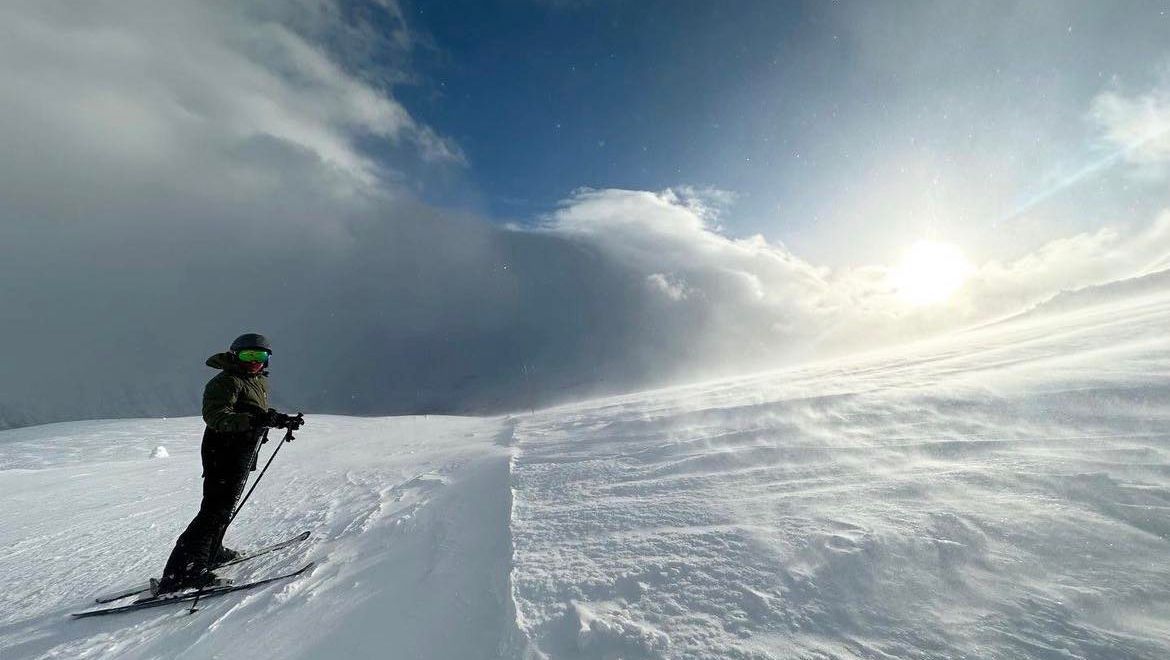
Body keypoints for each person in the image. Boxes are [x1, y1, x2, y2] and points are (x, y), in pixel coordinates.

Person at [154, 333, 302, 594]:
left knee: (225, 507)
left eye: (261, 356)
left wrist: (279, 420)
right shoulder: (225, 382)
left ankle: (211, 552)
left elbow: (253, 411)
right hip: (222, 450)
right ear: (235, 355)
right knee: (213, 511)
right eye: (248, 356)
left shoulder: (255, 381)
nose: (255, 361)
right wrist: (251, 422)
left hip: (242, 450)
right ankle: (182, 573)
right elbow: (216, 416)